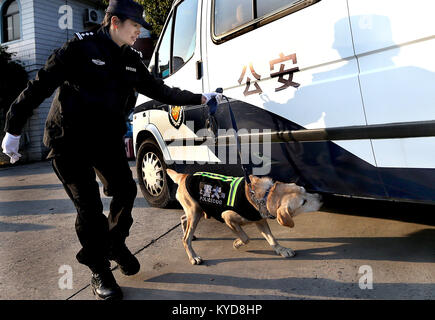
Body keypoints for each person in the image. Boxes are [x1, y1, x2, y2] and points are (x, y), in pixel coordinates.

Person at [1, 0, 219, 300]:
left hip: (104, 140)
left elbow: (160, 90)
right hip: (68, 140)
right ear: (114, 23)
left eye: (140, 26)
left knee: (126, 190)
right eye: (134, 26)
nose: (138, 31)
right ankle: (100, 270)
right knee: (88, 207)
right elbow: (40, 84)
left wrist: (199, 98)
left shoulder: (130, 59)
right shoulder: (79, 48)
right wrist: (13, 128)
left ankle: (115, 242)